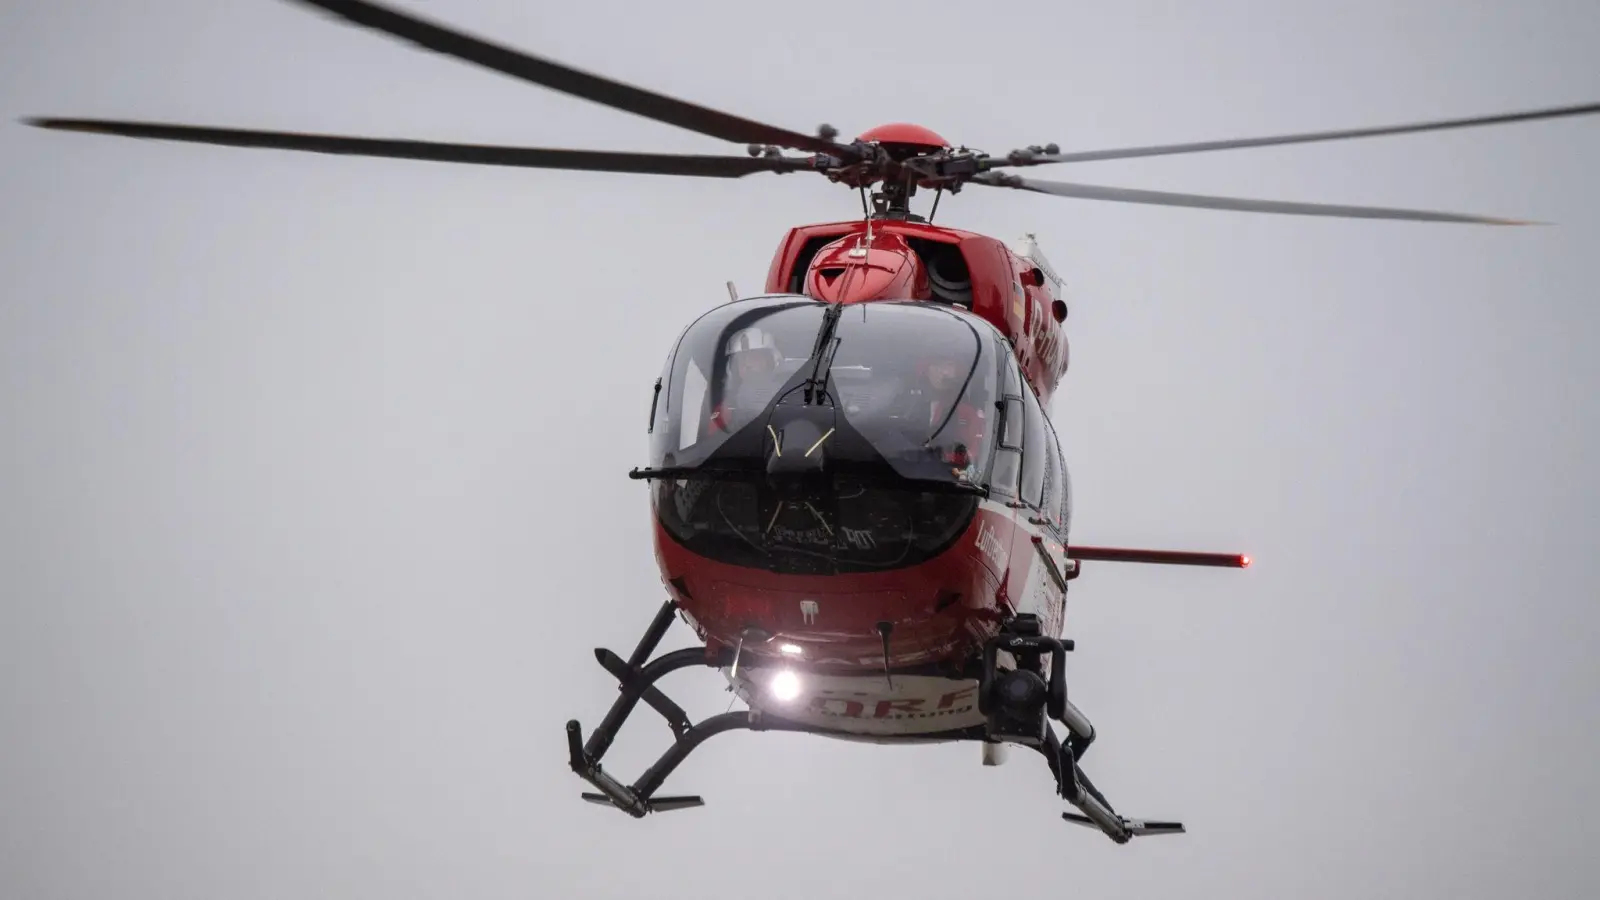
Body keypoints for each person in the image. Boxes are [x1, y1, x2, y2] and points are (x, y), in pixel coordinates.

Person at [709, 327, 783, 433]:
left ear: (770, 361)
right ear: (733, 367)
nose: (747, 364)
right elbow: (712, 443)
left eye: (754, 357)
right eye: (742, 359)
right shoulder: (725, 408)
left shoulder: (788, 396)